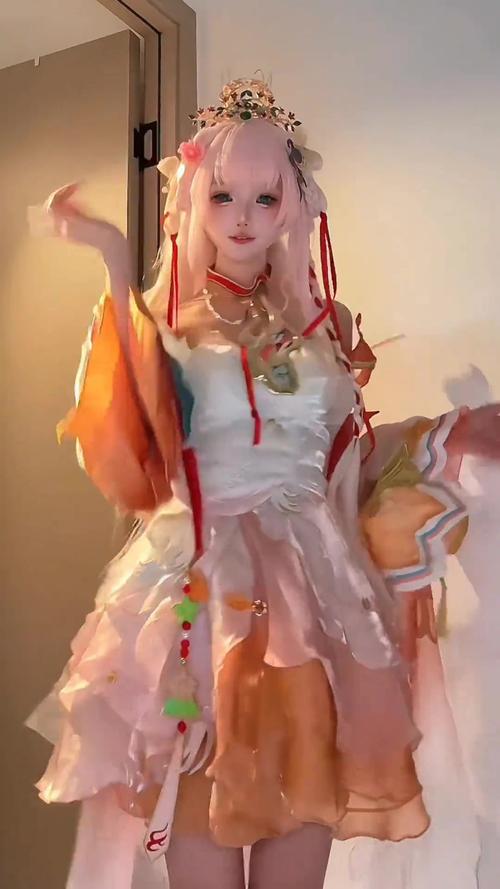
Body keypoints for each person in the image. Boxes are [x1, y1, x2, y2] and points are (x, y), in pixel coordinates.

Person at [27, 79, 500, 889]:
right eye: (223, 194)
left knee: (304, 807)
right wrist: (113, 258)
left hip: (317, 587)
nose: (242, 215)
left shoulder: (325, 327)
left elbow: (346, 461)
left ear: (292, 206)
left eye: (264, 196)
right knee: (198, 806)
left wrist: (441, 437)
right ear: (193, 198)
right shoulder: (165, 321)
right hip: (202, 581)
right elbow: (133, 434)